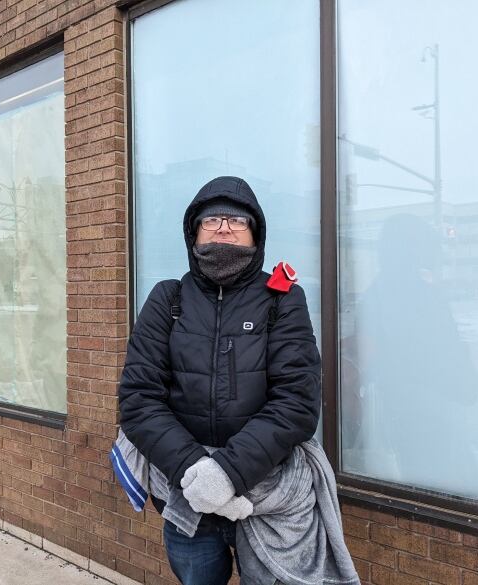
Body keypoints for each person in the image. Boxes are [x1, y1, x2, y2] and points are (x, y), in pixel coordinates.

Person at [118, 176, 321, 585]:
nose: (223, 227)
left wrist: (226, 472)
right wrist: (195, 470)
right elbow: (139, 399)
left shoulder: (281, 299)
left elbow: (297, 403)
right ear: (193, 232)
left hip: (266, 493)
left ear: (255, 233)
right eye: (210, 220)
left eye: (236, 220)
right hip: (185, 492)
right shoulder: (167, 298)